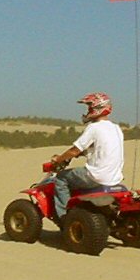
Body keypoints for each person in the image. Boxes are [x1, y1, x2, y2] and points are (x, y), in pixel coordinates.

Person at [48, 92, 125, 224]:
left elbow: (74, 150)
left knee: (61, 179)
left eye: (89, 107)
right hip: (114, 177)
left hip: (96, 176)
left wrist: (59, 159)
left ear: (97, 108)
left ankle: (65, 217)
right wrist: (83, 153)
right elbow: (101, 149)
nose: (88, 110)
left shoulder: (94, 128)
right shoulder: (116, 128)